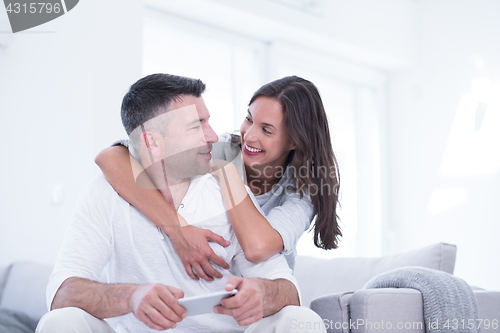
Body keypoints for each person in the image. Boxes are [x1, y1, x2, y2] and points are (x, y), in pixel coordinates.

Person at [36, 73, 325, 333]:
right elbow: (61, 294)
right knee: (59, 322)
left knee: (302, 321)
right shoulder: (107, 191)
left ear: (293, 141)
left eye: (268, 130)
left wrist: (260, 293)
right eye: (197, 125)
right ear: (152, 141)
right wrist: (131, 296)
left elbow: (285, 285)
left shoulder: (234, 189)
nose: (214, 136)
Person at [95, 76, 342, 280]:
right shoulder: (222, 146)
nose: (249, 135)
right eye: (249, 119)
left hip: (262, 293)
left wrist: (227, 174)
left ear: (295, 140)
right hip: (210, 285)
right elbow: (111, 158)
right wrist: (176, 228)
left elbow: (257, 248)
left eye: (266, 130)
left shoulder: (303, 191)